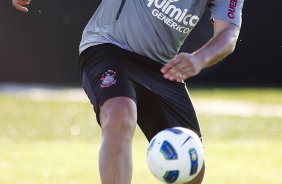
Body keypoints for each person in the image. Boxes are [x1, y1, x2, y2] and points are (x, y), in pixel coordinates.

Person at [12, 0, 244, 183]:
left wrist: (199, 59)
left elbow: (229, 34)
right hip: (109, 46)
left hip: (162, 65)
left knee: (193, 165)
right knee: (120, 114)